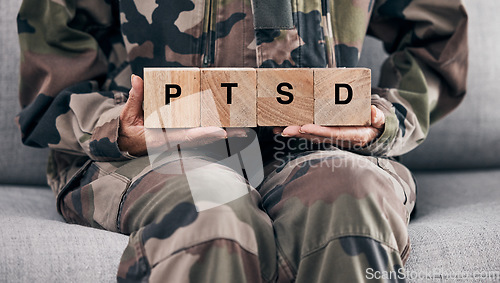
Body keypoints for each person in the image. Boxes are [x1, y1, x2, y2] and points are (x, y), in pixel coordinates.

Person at [16, 0, 468, 282]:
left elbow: (437, 36)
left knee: (354, 196)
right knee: (211, 210)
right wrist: (117, 125)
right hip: (156, 153)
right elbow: (52, 79)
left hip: (320, 148)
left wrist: (384, 116)